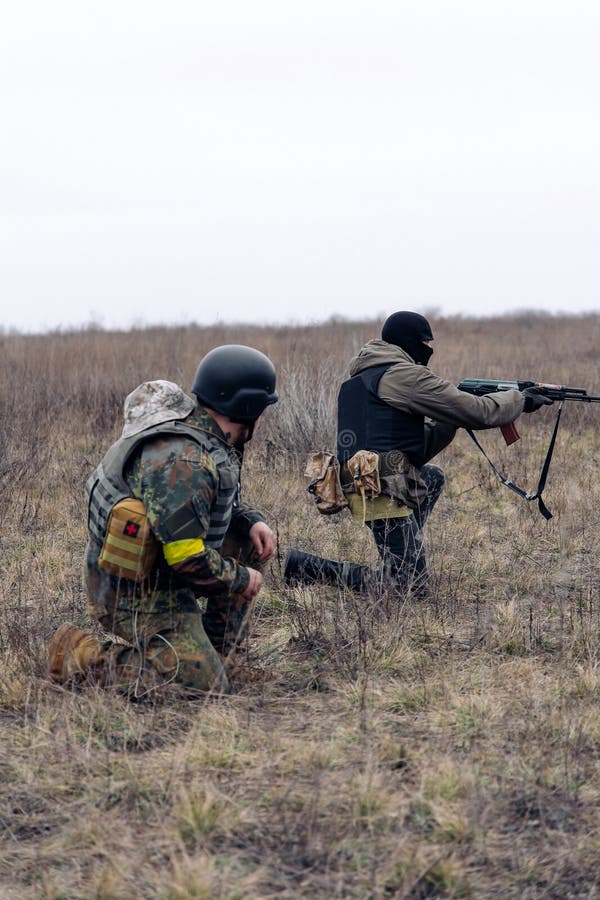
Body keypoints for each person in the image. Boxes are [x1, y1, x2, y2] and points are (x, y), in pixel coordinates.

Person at [49, 345, 278, 696]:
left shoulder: (205, 436)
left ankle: (219, 652)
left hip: (159, 568)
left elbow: (207, 504)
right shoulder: (184, 461)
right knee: (201, 683)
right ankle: (80, 654)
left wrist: (251, 521)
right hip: (131, 590)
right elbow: (187, 559)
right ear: (248, 409)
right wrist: (241, 578)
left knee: (248, 539)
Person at [284, 311, 552, 598]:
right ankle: (306, 567)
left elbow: (412, 447)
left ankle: (402, 551)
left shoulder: (364, 377)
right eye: (425, 341)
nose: (429, 347)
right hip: (380, 486)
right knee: (408, 588)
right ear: (409, 342)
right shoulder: (404, 375)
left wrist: (449, 418)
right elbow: (479, 412)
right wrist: (519, 400)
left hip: (365, 482)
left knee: (432, 477)